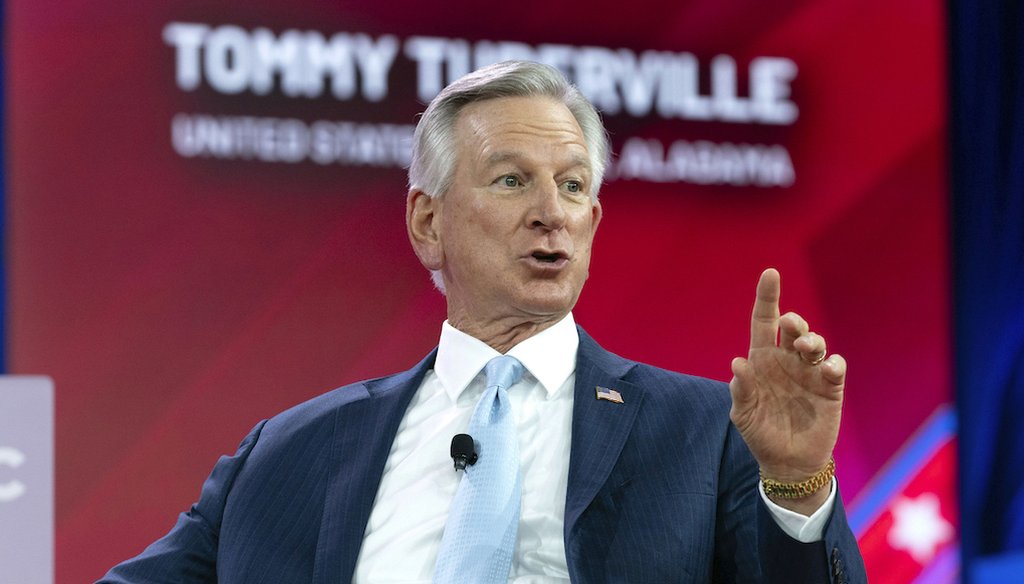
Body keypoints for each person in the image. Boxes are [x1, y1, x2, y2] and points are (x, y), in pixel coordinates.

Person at [98, 60, 866, 583]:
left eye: (572, 188)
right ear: (427, 222)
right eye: (511, 180)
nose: (550, 215)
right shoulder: (291, 450)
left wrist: (797, 485)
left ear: (593, 222)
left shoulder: (706, 433)